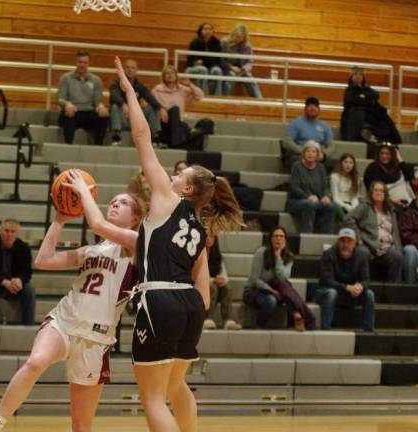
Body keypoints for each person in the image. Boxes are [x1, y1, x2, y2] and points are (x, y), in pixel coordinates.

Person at [116, 56, 243, 432]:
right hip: (190, 305)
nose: (172, 173)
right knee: (175, 384)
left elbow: (141, 138)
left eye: (180, 173)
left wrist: (129, 89)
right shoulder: (202, 228)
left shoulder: (166, 199)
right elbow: (203, 294)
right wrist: (191, 313)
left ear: (186, 188)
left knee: (152, 397)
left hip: (161, 299)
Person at [0, 170, 142, 432]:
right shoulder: (89, 251)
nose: (116, 204)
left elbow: (96, 223)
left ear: (136, 218)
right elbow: (43, 260)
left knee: (80, 426)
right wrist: (59, 220)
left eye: (124, 203)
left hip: (96, 339)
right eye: (114, 201)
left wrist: (82, 191)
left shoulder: (136, 244)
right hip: (64, 320)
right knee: (35, 362)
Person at [243, 227, 315, 331]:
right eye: (275, 236)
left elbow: (283, 277)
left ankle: (297, 314)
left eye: (281, 236)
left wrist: (278, 257)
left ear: (285, 240)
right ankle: (260, 324)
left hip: (278, 290)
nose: (278, 239)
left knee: (284, 285)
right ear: (271, 239)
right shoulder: (261, 252)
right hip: (254, 291)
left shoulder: (289, 256)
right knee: (272, 299)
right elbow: (255, 279)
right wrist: (271, 290)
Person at [314, 228, 375, 332]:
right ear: (338, 242)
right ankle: (325, 331)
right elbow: (327, 281)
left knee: (369, 294)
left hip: (349, 295)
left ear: (355, 243)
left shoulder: (362, 255)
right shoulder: (328, 254)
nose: (345, 244)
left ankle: (369, 333)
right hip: (326, 293)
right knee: (331, 293)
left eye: (349, 241)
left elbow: (366, 280)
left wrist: (360, 286)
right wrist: (347, 287)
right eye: (342, 241)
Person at [344, 181, 404, 283]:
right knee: (362, 252)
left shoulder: (390, 210)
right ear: (371, 193)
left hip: (386, 248)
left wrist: (398, 247)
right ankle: (360, 286)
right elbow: (348, 219)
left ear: (385, 195)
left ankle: (394, 290)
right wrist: (358, 238)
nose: (378, 193)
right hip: (369, 245)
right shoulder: (365, 206)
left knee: (397, 257)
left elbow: (395, 231)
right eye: (376, 190)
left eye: (381, 191)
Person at [340, 66, 401, 148]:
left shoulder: (367, 88)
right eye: (355, 74)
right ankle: (367, 134)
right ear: (351, 77)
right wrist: (367, 99)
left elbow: (376, 94)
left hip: (371, 114)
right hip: (357, 116)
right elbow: (353, 100)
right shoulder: (349, 90)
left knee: (386, 120)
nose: (358, 76)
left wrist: (364, 96)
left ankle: (378, 138)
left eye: (360, 74)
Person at [57, 50, 108, 145]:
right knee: (68, 116)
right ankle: (68, 146)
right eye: (80, 62)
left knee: (103, 117)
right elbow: (60, 99)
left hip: (89, 112)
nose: (82, 65)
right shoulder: (66, 78)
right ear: (76, 62)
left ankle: (98, 146)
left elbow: (98, 101)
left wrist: (101, 106)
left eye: (85, 62)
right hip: (73, 111)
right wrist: (67, 104)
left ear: (89, 64)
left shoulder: (96, 80)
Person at [109, 58, 164, 146]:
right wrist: (123, 104)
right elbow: (114, 95)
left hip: (135, 118)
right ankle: (116, 136)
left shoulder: (139, 85)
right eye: (127, 67)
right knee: (115, 106)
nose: (130, 70)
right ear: (123, 69)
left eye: (132, 68)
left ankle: (156, 137)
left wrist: (160, 108)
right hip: (122, 118)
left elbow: (149, 97)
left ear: (136, 70)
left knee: (151, 107)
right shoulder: (115, 83)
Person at [285, 141, 336, 233]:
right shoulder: (297, 166)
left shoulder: (321, 168)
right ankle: (308, 235)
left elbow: (325, 187)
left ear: (317, 155)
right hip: (296, 201)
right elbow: (294, 187)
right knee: (309, 204)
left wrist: (326, 196)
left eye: (313, 152)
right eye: (308, 151)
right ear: (303, 153)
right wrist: (308, 196)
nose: (310, 154)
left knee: (331, 206)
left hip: (316, 201)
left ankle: (325, 235)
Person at [152, 65, 204, 148]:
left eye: (172, 73)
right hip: (164, 123)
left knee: (198, 131)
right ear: (163, 77)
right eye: (167, 73)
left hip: (178, 124)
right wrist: (160, 110)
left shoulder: (181, 89)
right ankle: (177, 143)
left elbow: (199, 96)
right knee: (175, 110)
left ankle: (177, 142)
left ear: (176, 76)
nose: (170, 75)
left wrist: (190, 84)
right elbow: (150, 104)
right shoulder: (157, 90)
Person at [282, 97, 334, 169]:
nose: (312, 108)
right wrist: (303, 152)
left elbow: (331, 145)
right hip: (300, 156)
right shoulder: (296, 123)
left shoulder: (325, 126)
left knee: (332, 164)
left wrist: (323, 155)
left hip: (318, 156)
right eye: (310, 106)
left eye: (315, 106)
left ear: (319, 110)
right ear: (305, 109)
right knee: (296, 162)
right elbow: (287, 141)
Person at [202, 235, 241, 330]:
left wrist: (222, 279)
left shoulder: (217, 255)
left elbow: (224, 275)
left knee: (226, 287)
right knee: (212, 286)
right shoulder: (194, 254)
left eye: (211, 237)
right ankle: (207, 318)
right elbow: (193, 276)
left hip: (214, 286)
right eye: (206, 236)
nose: (209, 239)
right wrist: (212, 280)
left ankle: (227, 320)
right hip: (198, 287)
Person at [220, 24, 262, 98]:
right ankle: (228, 101)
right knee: (231, 76)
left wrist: (245, 68)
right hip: (227, 69)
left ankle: (259, 102)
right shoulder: (224, 42)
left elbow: (249, 61)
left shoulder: (247, 45)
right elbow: (220, 59)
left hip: (241, 70)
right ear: (233, 34)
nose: (238, 39)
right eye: (237, 36)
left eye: (241, 37)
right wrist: (231, 67)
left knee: (251, 80)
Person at [185, 23, 223, 95]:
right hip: (193, 68)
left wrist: (205, 62)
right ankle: (202, 95)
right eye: (205, 29)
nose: (208, 31)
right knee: (203, 69)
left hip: (210, 67)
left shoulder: (217, 42)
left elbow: (217, 60)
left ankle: (218, 95)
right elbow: (189, 60)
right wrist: (194, 62)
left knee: (217, 70)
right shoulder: (195, 42)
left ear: (212, 31)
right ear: (201, 31)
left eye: (210, 29)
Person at [330, 153, 363, 220]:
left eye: (351, 163)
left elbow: (354, 197)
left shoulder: (357, 178)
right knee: (338, 209)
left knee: (361, 208)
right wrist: (347, 207)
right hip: (339, 203)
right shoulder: (334, 176)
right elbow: (335, 198)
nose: (348, 165)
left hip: (351, 203)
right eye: (346, 162)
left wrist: (354, 207)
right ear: (341, 163)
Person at [399, 197, 418, 284]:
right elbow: (406, 236)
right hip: (413, 246)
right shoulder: (407, 214)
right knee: (410, 250)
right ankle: (410, 286)